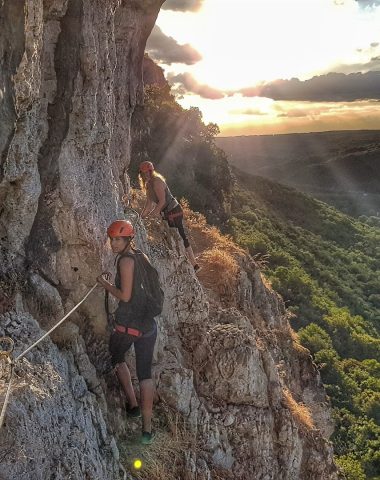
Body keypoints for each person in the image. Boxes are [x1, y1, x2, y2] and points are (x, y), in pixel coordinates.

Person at [97, 220, 157, 445]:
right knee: (145, 374)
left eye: (117, 239)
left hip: (129, 326)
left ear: (127, 240)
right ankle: (147, 430)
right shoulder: (141, 256)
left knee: (116, 357)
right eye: (111, 238)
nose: (113, 243)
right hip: (149, 325)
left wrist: (104, 284)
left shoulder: (125, 261)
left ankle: (132, 405)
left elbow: (124, 296)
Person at [138, 161, 200, 272]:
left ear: (151, 171)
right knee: (171, 236)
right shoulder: (148, 185)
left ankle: (195, 265)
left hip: (174, 211)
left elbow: (162, 201)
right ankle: (179, 259)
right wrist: (140, 217)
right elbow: (148, 204)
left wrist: (154, 214)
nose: (146, 175)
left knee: (180, 235)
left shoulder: (157, 182)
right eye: (143, 173)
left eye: (147, 172)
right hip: (167, 212)